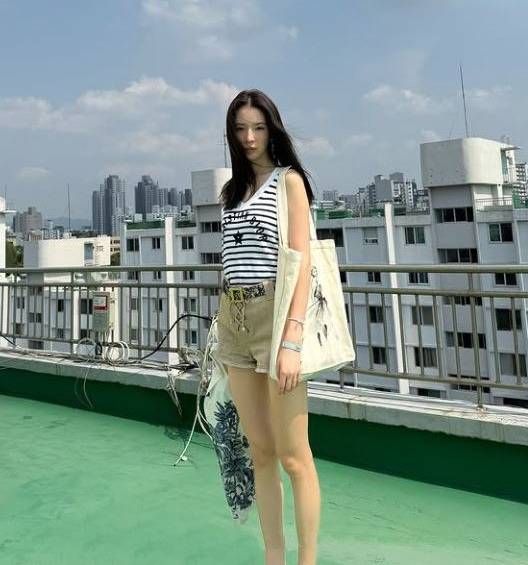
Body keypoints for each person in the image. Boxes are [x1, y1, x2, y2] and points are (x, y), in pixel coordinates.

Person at [214, 89, 321, 565]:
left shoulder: (288, 181)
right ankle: (273, 557)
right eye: (240, 129)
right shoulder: (231, 192)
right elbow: (231, 262)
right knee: (260, 451)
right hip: (234, 320)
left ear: (272, 129)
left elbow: (302, 262)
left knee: (294, 455)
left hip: (276, 318)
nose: (250, 137)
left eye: (258, 127)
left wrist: (292, 337)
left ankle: (307, 560)